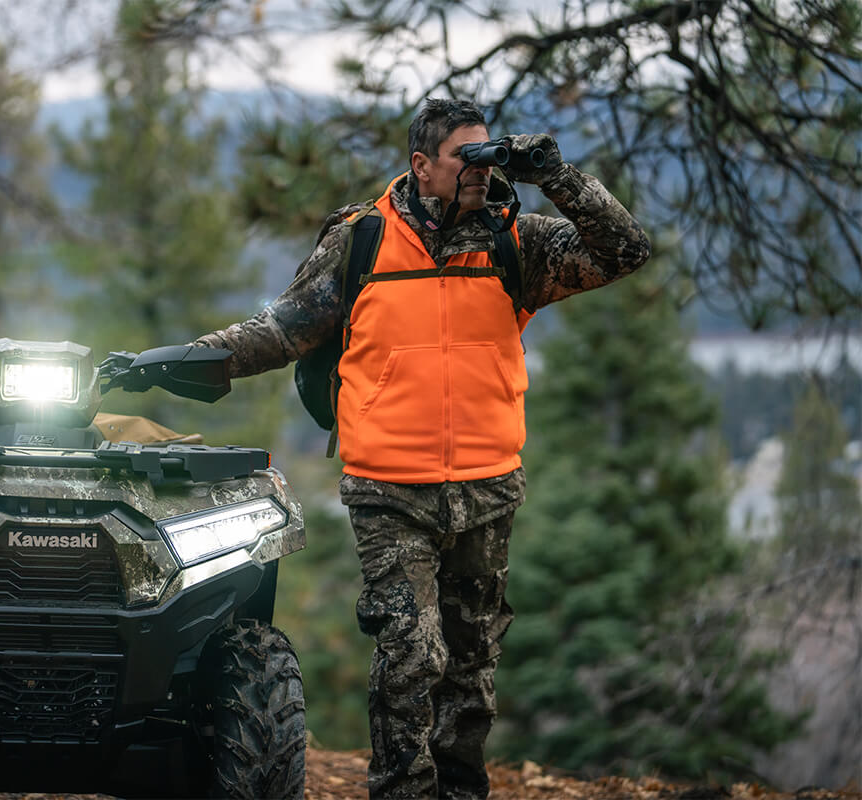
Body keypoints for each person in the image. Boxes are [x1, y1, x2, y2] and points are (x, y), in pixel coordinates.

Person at [119, 98, 651, 799]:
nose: (479, 171)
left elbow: (625, 251)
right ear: (420, 165)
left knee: (472, 664)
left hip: (489, 487)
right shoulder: (362, 241)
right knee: (410, 654)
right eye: (465, 157)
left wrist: (556, 176)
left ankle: (459, 790)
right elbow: (280, 332)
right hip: (388, 490)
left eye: (489, 154)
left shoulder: (514, 240)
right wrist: (170, 362)